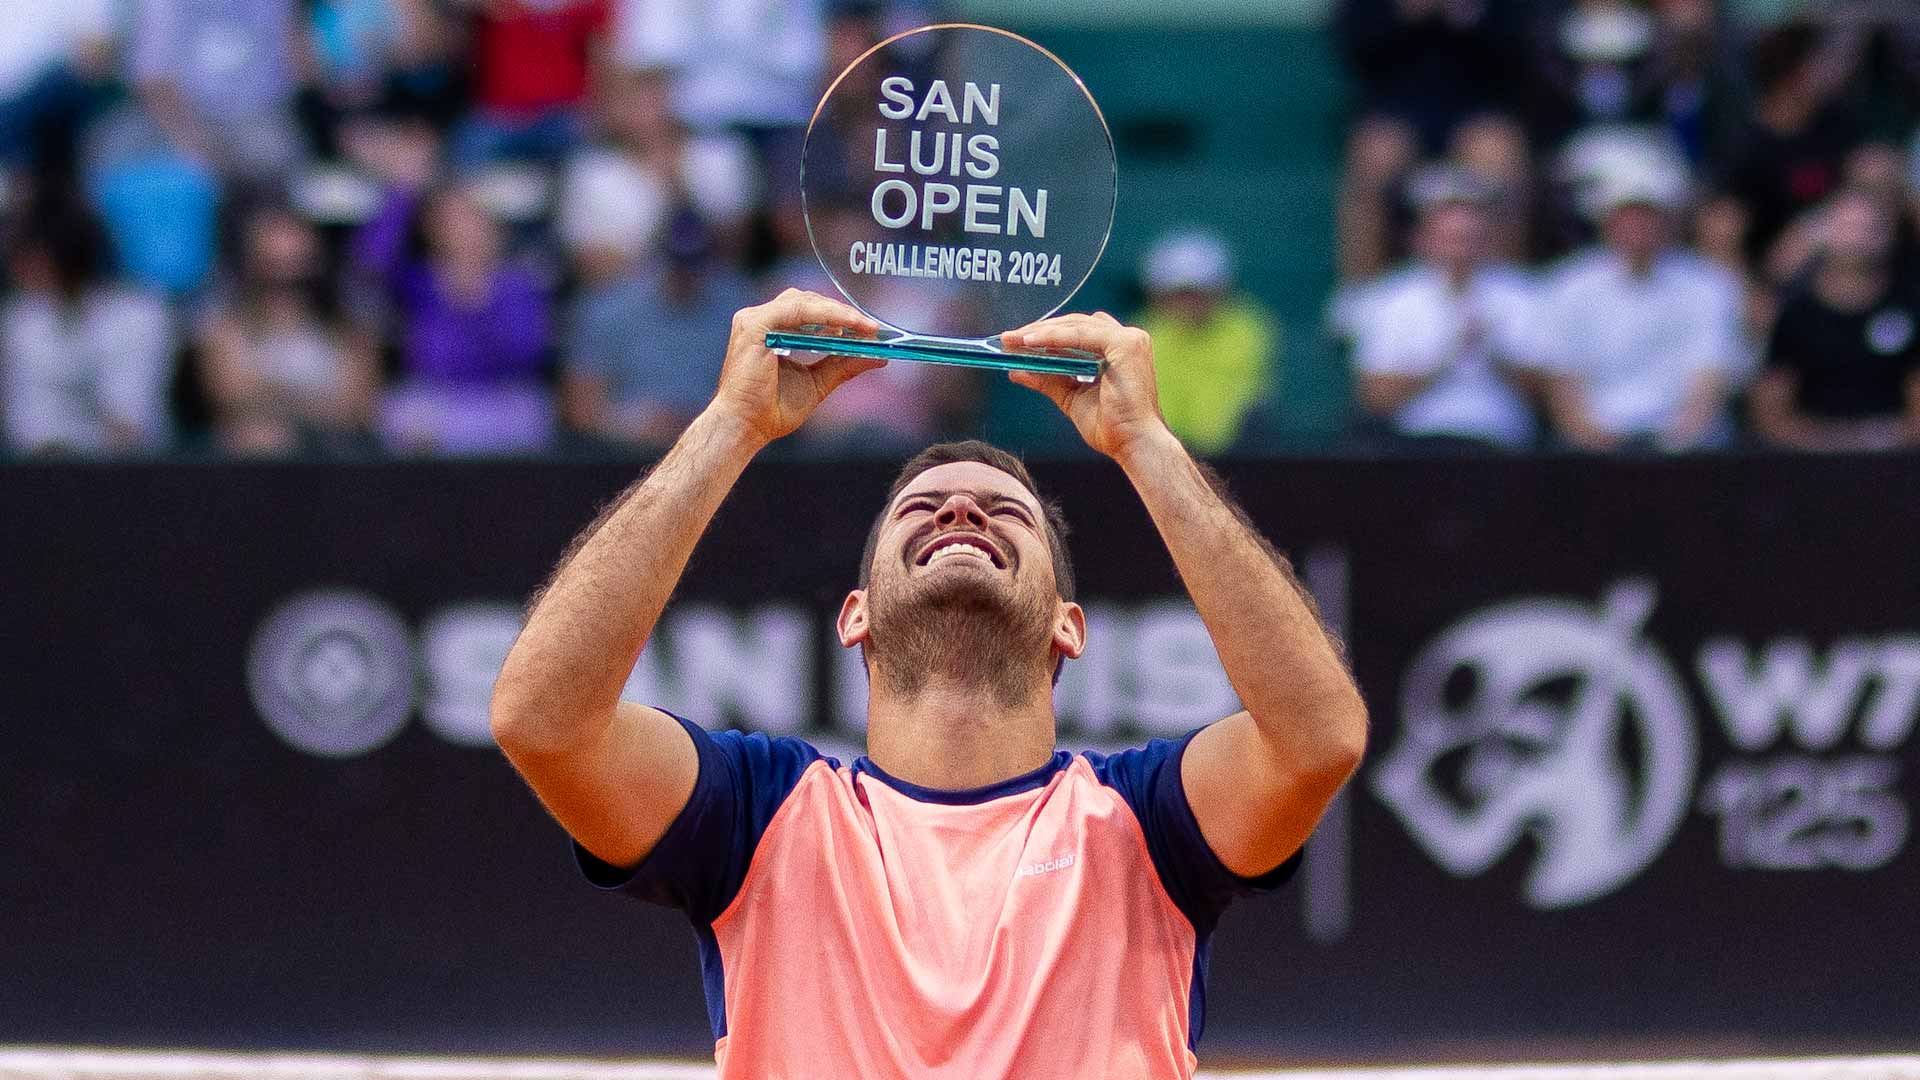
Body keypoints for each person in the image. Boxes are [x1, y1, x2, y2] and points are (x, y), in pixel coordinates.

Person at [491, 290, 1367, 1079]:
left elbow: (1318, 738)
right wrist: (731, 421)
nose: (959, 511)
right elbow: (543, 721)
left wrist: (1145, 443)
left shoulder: (1144, 824)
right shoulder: (757, 814)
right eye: (923, 509)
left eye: (1004, 512)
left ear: (1069, 623)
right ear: (855, 616)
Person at [1535, 164, 1742, 451]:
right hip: (1594, 447)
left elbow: (1710, 376)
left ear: (1668, 222)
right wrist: (1597, 443)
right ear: (1606, 222)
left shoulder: (1708, 285)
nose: (1638, 226)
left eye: (1648, 216)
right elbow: (1562, 381)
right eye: (1627, 216)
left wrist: (1673, 446)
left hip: (1687, 447)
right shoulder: (1570, 285)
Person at [1353, 168, 1541, 450]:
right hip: (1421, 447)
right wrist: (1445, 357)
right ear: (1422, 240)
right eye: (1450, 239)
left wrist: (1494, 353)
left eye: (1469, 238)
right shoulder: (1393, 299)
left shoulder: (1519, 294)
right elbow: (1375, 398)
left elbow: (1548, 395)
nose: (1461, 250)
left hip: (1503, 444)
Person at [197, 202, 376, 455]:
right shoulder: (226, 329)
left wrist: (271, 396)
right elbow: (229, 398)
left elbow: (356, 407)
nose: (285, 282)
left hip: (333, 459)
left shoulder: (348, 330)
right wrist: (315, 402)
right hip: (254, 457)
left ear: (317, 264)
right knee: (257, 438)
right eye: (273, 267)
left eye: (296, 268)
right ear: (252, 266)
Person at [2, 195, 175, 456]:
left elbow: (129, 426)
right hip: (39, 476)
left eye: (29, 259)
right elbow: (26, 425)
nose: (16, 270)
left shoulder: (140, 316)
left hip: (128, 476)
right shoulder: (19, 320)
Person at [1751, 188, 1920, 452]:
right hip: (1809, 463)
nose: (1856, 239)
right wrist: (1828, 443)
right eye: (1846, 227)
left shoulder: (1911, 307)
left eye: (1868, 228)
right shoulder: (1796, 314)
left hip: (1897, 462)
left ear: (1888, 236)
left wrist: (1877, 440)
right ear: (1824, 234)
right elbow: (1771, 412)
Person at [1133, 229, 1281, 456]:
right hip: (1157, 456)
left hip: (1236, 458)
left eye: (1197, 292)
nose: (1188, 302)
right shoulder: (1141, 333)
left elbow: (1239, 407)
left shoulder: (1247, 330)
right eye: (1179, 293)